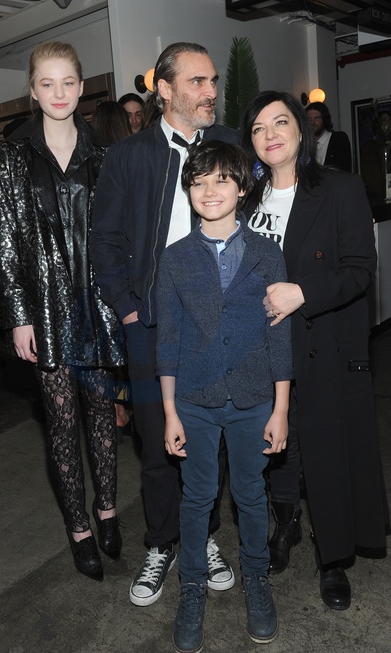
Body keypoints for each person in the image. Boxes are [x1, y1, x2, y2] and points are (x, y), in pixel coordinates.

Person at [91, 42, 240, 606]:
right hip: (150, 323)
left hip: (216, 323)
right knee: (156, 443)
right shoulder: (127, 156)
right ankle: (161, 543)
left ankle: (203, 537)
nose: (210, 91)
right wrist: (128, 306)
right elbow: (104, 239)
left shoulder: (229, 144)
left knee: (210, 440)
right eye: (198, 81)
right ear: (165, 89)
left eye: (213, 81)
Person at [241, 90, 389, 610]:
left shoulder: (339, 188)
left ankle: (334, 558)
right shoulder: (246, 199)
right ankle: (286, 526)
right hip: (262, 349)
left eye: (280, 122)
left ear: (301, 130)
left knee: (327, 452)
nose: (270, 135)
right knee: (276, 448)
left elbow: (360, 270)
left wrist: (302, 292)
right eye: (258, 128)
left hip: (321, 342)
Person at [0, 41, 125, 581]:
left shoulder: (105, 155)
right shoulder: (11, 159)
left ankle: (107, 509)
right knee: (62, 427)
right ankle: (79, 529)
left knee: (103, 416)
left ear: (82, 86)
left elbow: (119, 237)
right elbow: (2, 243)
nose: (59, 93)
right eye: (47, 83)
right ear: (33, 89)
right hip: (44, 311)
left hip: (97, 309)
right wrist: (18, 316)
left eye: (68, 82)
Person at [156, 140, 292, 651]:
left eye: (221, 180)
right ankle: (192, 585)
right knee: (197, 497)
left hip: (255, 398)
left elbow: (280, 335)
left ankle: (256, 577)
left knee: (252, 495)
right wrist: (170, 412)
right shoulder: (175, 258)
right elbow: (167, 340)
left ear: (241, 187)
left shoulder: (266, 253)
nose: (209, 191)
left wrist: (280, 408)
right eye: (198, 182)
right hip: (194, 400)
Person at [306, 101, 352, 172]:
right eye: (309, 118)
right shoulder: (303, 144)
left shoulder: (339, 139)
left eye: (316, 118)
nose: (312, 122)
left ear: (324, 120)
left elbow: (344, 169)